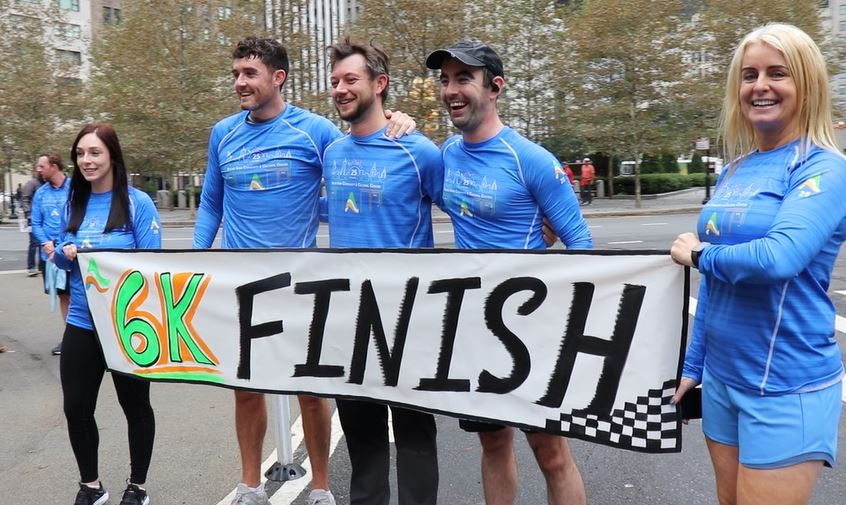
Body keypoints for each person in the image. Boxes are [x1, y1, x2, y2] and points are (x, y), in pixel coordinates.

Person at [193, 36, 414, 505]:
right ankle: (250, 484)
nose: (239, 83)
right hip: (239, 285)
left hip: (301, 286)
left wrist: (395, 119)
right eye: (235, 74)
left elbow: (362, 151)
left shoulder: (314, 132)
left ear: (278, 78)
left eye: (249, 74)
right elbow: (211, 203)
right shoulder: (223, 134)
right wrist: (195, 260)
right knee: (245, 390)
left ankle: (319, 486)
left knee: (312, 392)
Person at [670, 23, 846, 505]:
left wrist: (701, 254)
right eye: (749, 75)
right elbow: (714, 286)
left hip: (787, 385)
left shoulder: (825, 167)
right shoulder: (736, 168)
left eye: (777, 73)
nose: (760, 86)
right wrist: (694, 363)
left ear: (806, 84)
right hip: (725, 379)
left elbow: (778, 257)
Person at [426, 40, 590, 505]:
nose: (451, 91)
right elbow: (438, 201)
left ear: (494, 88)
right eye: (445, 80)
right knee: (493, 443)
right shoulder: (446, 155)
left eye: (463, 79)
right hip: (474, 328)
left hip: (532, 331)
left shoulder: (532, 160)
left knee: (551, 454)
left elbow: (582, 246)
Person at [322, 38, 440, 505]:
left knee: (413, 436)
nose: (340, 89)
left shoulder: (419, 150)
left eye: (351, 80)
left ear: (379, 84)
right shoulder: (332, 153)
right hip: (349, 320)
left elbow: (470, 215)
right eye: (335, 82)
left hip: (408, 319)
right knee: (363, 442)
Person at [54, 123, 161, 505]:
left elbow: (153, 267)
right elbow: (60, 262)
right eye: (80, 153)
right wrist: (62, 256)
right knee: (75, 408)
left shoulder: (138, 203)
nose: (86, 160)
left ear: (112, 157)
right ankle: (92, 486)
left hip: (127, 326)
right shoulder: (72, 203)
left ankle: (138, 487)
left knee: (135, 407)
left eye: (95, 152)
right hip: (82, 324)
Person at [30, 153, 71, 356]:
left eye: (41, 166)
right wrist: (46, 243)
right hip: (51, 256)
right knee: (64, 296)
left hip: (73, 252)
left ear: (54, 166)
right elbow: (35, 223)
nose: (38, 169)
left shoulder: (75, 189)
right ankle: (69, 338)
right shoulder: (41, 193)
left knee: (82, 294)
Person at [20, 171, 43, 276]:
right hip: (33, 218)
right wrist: (28, 214)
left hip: (43, 218)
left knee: (43, 243)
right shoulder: (32, 183)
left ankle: (41, 267)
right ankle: (31, 267)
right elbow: (25, 199)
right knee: (34, 243)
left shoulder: (45, 184)